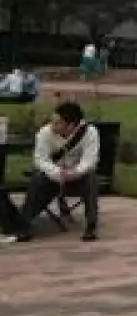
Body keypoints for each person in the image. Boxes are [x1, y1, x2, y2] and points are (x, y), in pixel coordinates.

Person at [5, 101, 102, 243]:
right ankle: (24, 224)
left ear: (71, 125)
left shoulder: (90, 133)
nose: (53, 125)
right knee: (37, 180)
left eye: (58, 123)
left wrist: (76, 172)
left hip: (77, 177)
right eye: (53, 121)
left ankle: (91, 225)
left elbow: (90, 159)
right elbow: (40, 159)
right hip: (52, 177)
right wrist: (57, 173)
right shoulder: (45, 133)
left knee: (92, 179)